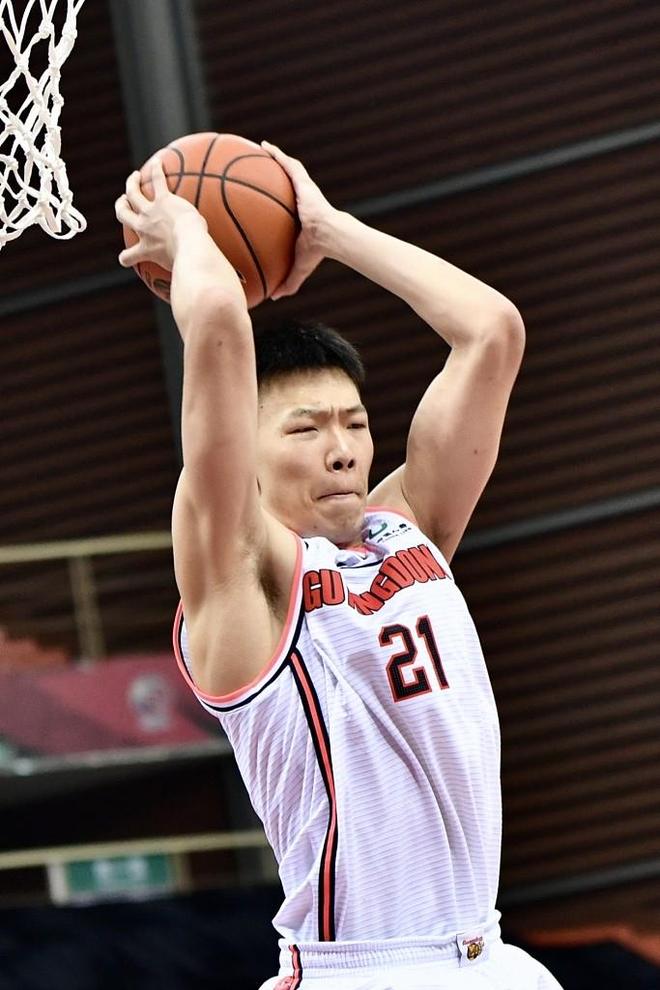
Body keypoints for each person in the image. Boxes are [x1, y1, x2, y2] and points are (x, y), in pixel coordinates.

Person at [115, 144, 562, 990]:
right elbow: (219, 327)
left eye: (354, 423)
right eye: (305, 428)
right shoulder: (242, 574)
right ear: (242, 455)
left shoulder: (409, 528)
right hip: (360, 969)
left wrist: (327, 229)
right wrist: (186, 232)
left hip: (492, 958)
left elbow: (491, 332)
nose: (343, 449)